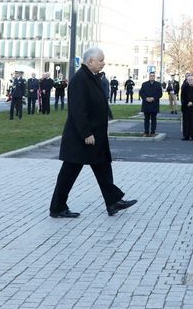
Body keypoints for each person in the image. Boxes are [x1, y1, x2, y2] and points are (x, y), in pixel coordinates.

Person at [48, 47, 137, 219]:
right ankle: (57, 207)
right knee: (69, 172)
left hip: (96, 136)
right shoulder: (80, 79)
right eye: (101, 60)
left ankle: (113, 202)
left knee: (103, 167)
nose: (104, 63)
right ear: (90, 62)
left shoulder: (92, 77)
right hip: (82, 138)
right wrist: (86, 133)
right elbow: (77, 110)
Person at [139, 71, 162, 137]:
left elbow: (160, 94)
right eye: (151, 76)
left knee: (153, 119)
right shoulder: (144, 84)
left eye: (153, 76)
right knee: (146, 119)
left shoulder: (158, 84)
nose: (152, 77)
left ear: (154, 77)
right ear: (149, 77)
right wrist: (146, 98)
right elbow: (141, 93)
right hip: (146, 104)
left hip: (154, 104)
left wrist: (153, 98)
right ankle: (146, 132)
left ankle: (152, 132)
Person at [180, 73, 193, 141]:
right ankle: (186, 135)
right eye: (189, 80)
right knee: (186, 122)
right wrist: (187, 103)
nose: (190, 81)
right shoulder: (185, 87)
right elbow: (182, 97)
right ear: (187, 80)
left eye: (191, 79)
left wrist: (192, 102)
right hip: (186, 107)